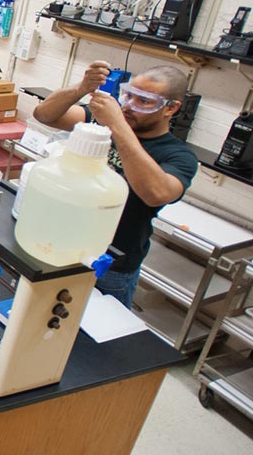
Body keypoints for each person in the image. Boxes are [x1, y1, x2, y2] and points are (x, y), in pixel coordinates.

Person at [32, 62, 198, 308]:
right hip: (65, 244)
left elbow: (156, 193)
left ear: (170, 108)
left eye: (144, 101)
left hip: (111, 265)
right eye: (128, 95)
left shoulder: (177, 155)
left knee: (98, 329)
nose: (129, 106)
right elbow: (45, 115)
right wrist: (81, 88)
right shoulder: (99, 125)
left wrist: (117, 124)